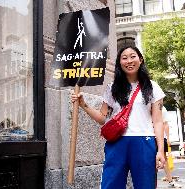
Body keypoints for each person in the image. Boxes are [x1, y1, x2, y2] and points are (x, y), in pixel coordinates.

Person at [71, 46, 166, 189]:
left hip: (144, 141)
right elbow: (102, 118)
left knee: (146, 185)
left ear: (140, 60)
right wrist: (84, 105)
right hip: (117, 143)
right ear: (119, 63)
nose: (129, 61)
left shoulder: (153, 87)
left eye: (133, 56)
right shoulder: (112, 88)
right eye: (124, 58)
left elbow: (158, 122)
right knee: (110, 185)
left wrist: (160, 150)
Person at [161, 107, 182, 188]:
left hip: (161, 137)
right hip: (149, 135)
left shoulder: (162, 108)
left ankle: (170, 181)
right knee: (151, 159)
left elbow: (166, 124)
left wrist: (168, 138)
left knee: (164, 159)